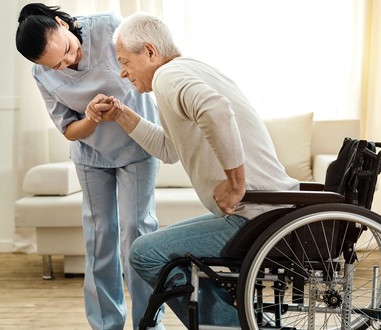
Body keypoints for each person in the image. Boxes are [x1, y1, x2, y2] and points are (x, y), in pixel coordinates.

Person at [87, 13, 299, 327]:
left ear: (149, 52)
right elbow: (169, 149)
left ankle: (239, 325)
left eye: (124, 61)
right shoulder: (188, 70)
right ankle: (243, 320)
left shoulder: (168, 77)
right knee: (155, 246)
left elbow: (216, 110)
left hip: (255, 216)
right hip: (263, 212)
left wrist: (235, 182)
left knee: (145, 253)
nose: (122, 71)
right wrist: (121, 115)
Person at [15, 5, 164, 330]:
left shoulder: (110, 27)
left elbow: (149, 69)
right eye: (58, 64)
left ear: (62, 23)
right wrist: (92, 117)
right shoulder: (41, 74)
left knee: (136, 235)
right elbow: (69, 130)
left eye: (67, 49)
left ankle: (148, 324)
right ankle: (105, 324)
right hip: (91, 155)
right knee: (100, 239)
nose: (69, 61)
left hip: (137, 144)